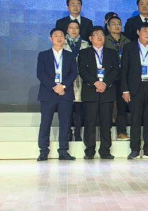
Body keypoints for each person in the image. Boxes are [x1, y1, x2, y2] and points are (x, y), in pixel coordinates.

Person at [121, 23, 148, 160]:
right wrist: (125, 90)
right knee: (135, 119)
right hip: (136, 86)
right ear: (138, 32)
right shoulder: (129, 47)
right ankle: (134, 149)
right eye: (145, 31)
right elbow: (124, 70)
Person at [36, 28, 78, 161]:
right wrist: (54, 87)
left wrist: (63, 86)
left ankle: (63, 151)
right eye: (56, 36)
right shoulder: (43, 55)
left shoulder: (70, 55)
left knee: (65, 123)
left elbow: (74, 73)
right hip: (48, 93)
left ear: (64, 38)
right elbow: (40, 73)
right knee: (45, 123)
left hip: (65, 93)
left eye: (61, 36)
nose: (59, 38)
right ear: (51, 38)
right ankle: (43, 151)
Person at [78, 27, 120, 160]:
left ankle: (105, 150)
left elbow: (115, 71)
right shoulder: (84, 53)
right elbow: (82, 71)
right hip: (91, 91)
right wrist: (96, 83)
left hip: (107, 92)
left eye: (102, 34)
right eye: (96, 35)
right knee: (90, 122)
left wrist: (105, 83)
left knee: (106, 122)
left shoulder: (112, 53)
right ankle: (90, 150)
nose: (100, 37)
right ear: (90, 38)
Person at [104, 15, 131, 140]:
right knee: (107, 106)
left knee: (121, 106)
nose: (117, 26)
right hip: (108, 77)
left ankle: (121, 131)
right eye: (113, 24)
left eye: (119, 24)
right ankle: (106, 133)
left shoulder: (127, 41)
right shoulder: (104, 40)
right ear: (108, 27)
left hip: (123, 77)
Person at [62, 20, 89, 142]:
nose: (74, 30)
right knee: (67, 108)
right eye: (71, 27)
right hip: (66, 79)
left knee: (79, 108)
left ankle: (78, 133)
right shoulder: (61, 43)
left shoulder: (85, 44)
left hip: (81, 78)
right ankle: (67, 133)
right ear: (67, 30)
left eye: (76, 27)